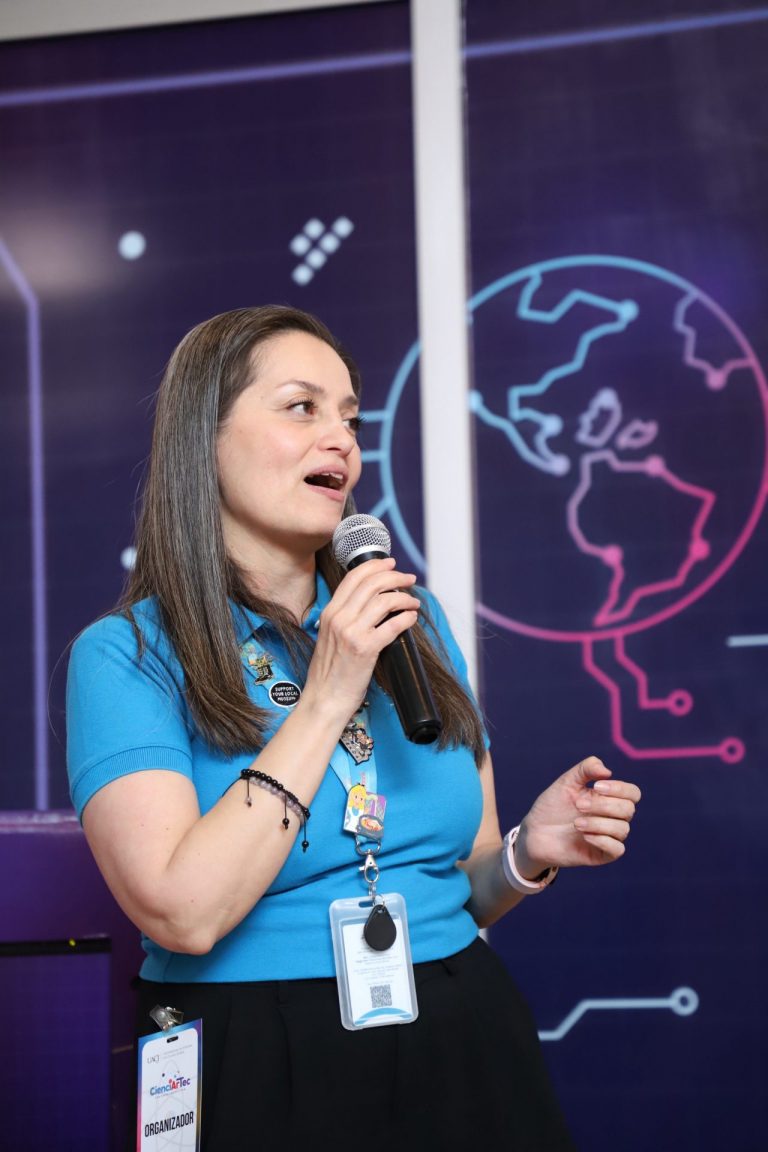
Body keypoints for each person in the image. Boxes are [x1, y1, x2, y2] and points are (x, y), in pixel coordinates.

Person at [66, 305, 641, 1151]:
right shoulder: (126, 656)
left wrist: (527, 852)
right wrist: (326, 695)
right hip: (255, 1043)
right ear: (203, 439)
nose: (340, 439)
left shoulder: (414, 620)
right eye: (302, 408)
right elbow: (183, 916)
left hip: (460, 1021)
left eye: (350, 418)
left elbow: (469, 879)